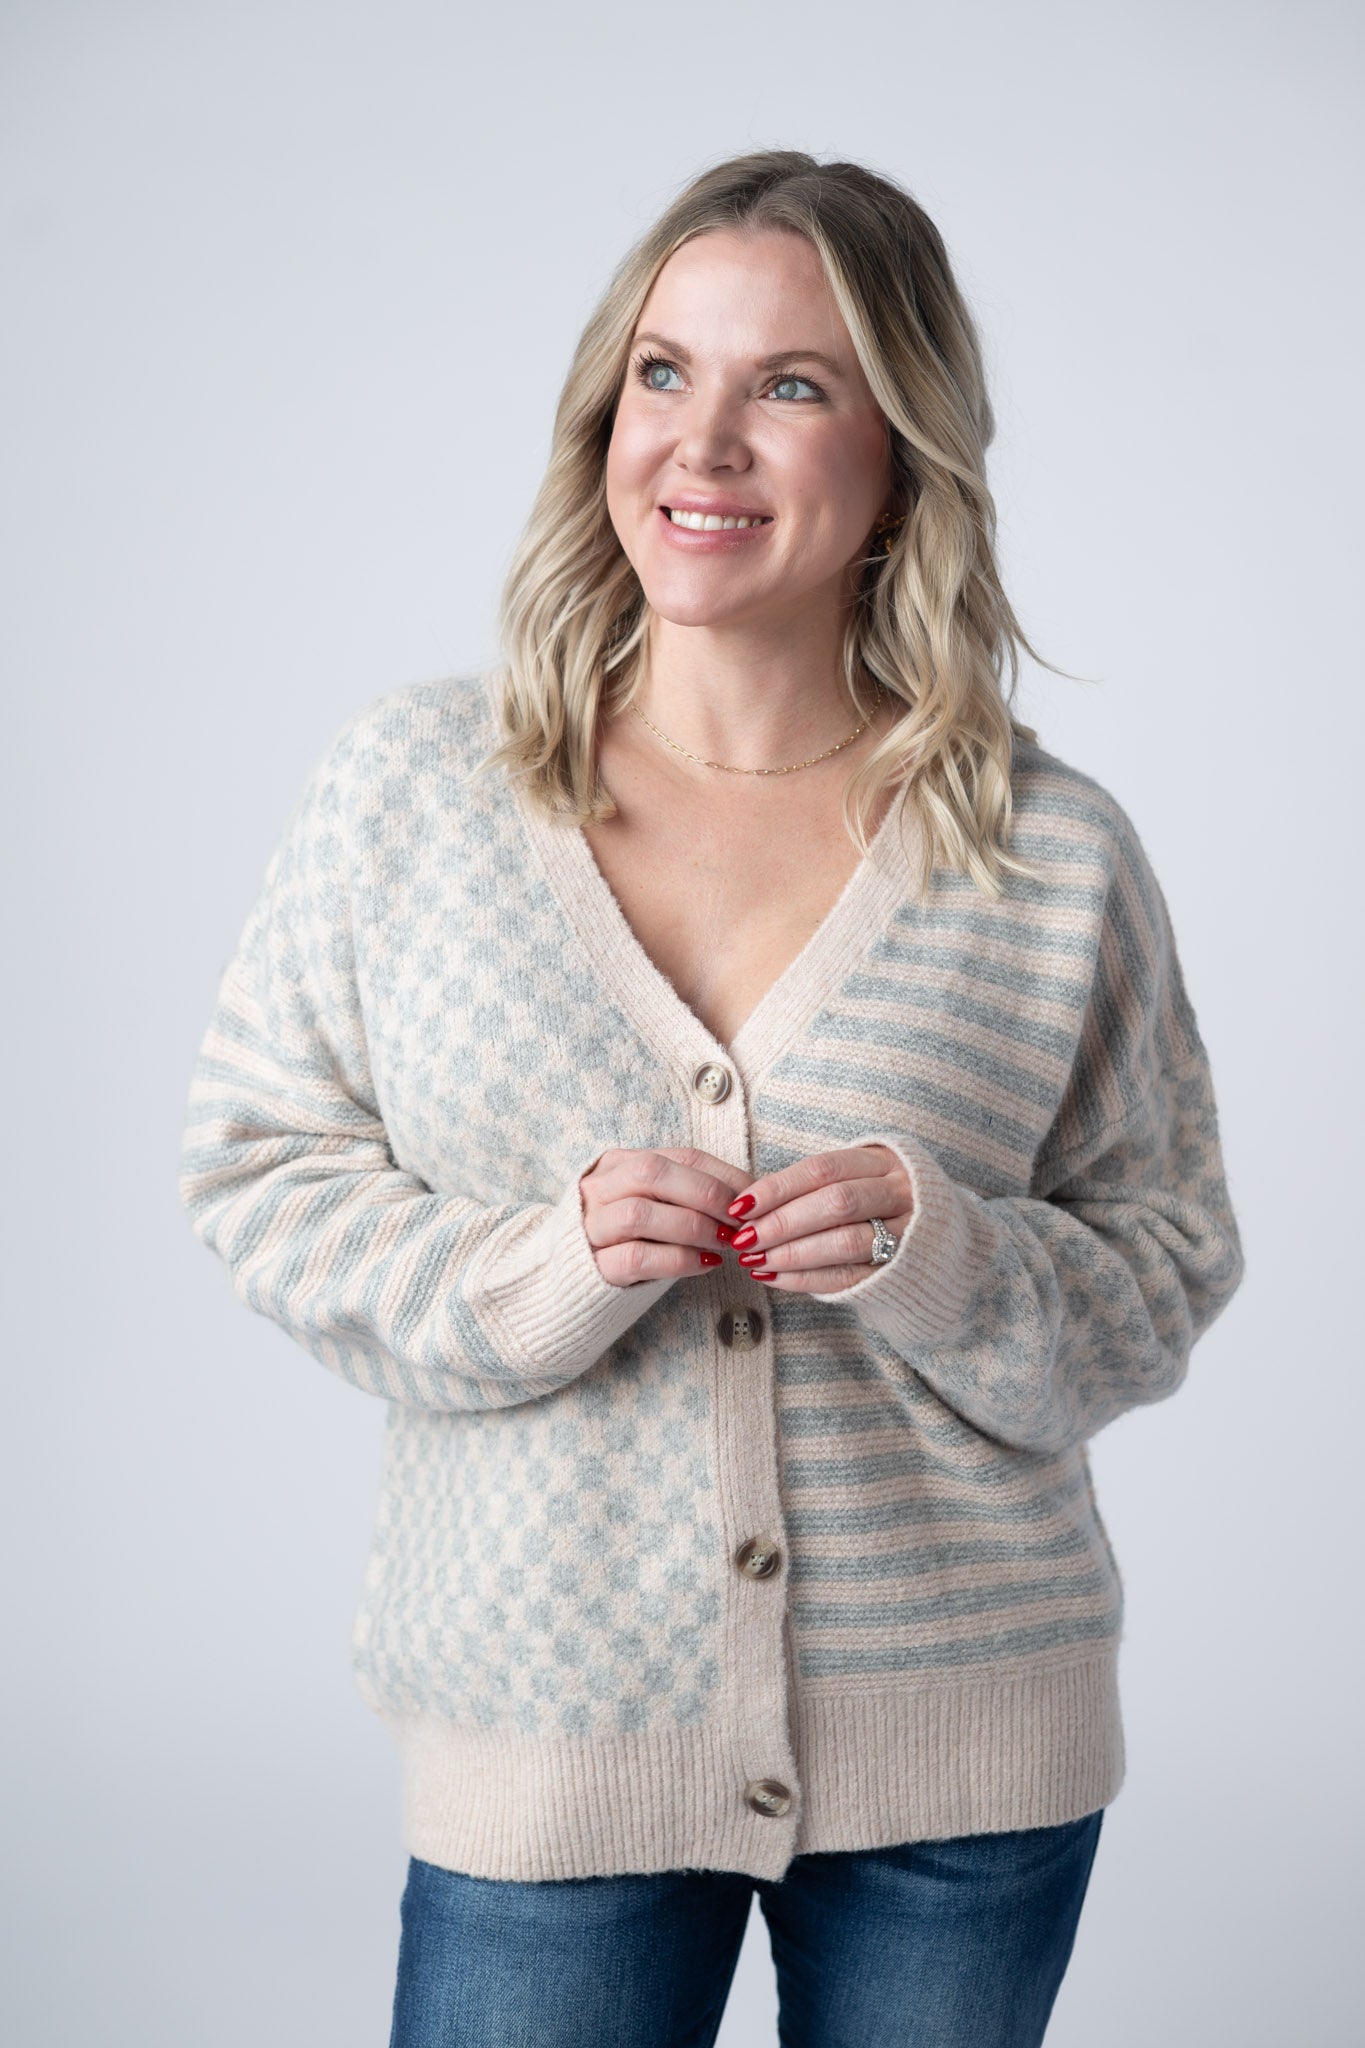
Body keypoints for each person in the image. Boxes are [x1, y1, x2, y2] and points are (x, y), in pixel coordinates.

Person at [179, 150, 1245, 2048]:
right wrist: (536, 1272)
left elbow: (1163, 1262)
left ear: (900, 456)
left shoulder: (1043, 852)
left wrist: (940, 1254)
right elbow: (259, 1171)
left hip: (964, 1757)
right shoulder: (417, 792)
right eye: (663, 373)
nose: (704, 441)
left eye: (792, 385)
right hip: (551, 1731)